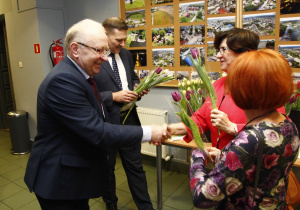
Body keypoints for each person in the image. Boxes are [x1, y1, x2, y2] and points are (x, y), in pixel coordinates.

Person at [24, 19, 168, 210]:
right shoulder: (63, 80)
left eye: (105, 51)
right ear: (75, 49)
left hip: (72, 175)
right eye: (99, 50)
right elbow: (97, 130)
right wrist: (150, 132)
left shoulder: (80, 74)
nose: (105, 57)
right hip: (58, 180)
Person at [190, 49, 299, 209]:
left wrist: (198, 156)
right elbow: (261, 165)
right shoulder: (288, 124)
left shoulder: (250, 139)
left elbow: (202, 197)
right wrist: (224, 156)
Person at [168, 28, 285, 150]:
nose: (218, 56)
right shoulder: (218, 84)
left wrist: (233, 128)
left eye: (223, 49)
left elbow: (277, 130)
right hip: (221, 163)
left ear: (245, 53)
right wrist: (168, 130)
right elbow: (200, 119)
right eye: (218, 50)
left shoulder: (265, 86)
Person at [94, 17, 153, 210]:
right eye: (118, 40)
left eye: (124, 39)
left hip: (130, 120)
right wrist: (113, 96)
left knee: (136, 169)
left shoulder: (126, 54)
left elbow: (132, 77)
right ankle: (111, 205)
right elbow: (87, 95)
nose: (123, 43)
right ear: (105, 35)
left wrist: (139, 87)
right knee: (107, 170)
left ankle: (145, 207)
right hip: (105, 124)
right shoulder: (94, 58)